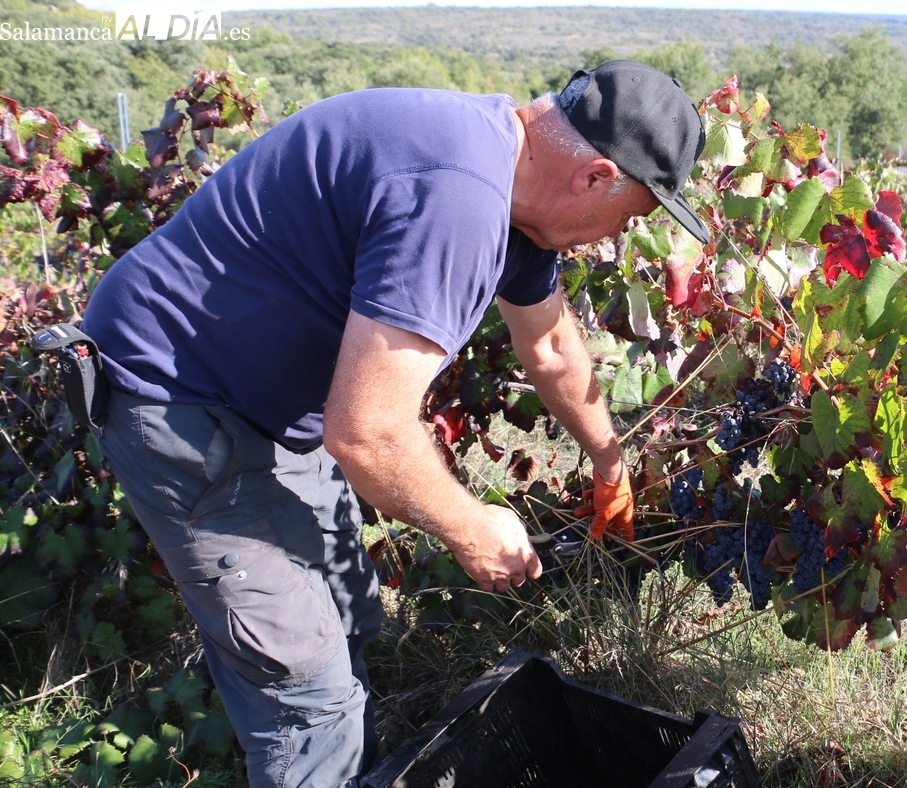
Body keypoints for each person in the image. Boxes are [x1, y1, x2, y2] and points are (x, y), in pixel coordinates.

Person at [78, 60, 710, 788]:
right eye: (630, 216)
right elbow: (369, 434)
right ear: (594, 177)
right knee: (304, 693)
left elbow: (552, 345)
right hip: (180, 400)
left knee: (348, 616)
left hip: (273, 409)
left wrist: (610, 463)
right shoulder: (459, 199)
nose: (613, 238)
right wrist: (475, 529)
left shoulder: (511, 184)